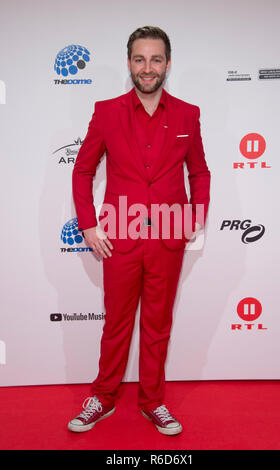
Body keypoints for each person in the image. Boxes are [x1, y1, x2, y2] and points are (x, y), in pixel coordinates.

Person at [68, 26, 210, 435]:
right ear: (129, 62)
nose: (148, 68)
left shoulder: (188, 114)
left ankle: (153, 402)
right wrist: (89, 225)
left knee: (157, 324)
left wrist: (193, 218)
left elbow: (199, 171)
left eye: (156, 59)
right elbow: (83, 171)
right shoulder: (106, 111)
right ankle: (103, 397)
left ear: (168, 63)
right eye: (140, 59)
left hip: (167, 237)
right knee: (116, 323)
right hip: (119, 236)